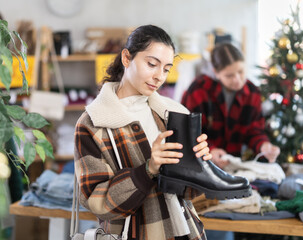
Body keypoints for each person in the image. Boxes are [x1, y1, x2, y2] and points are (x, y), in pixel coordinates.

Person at [74, 25, 212, 240]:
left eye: (166, 69)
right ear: (127, 58)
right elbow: (98, 203)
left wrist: (199, 164)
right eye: (152, 64)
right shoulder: (93, 124)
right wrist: (148, 169)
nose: (159, 76)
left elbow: (188, 194)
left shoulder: (174, 113)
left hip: (186, 233)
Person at [181, 42, 280, 240]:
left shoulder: (252, 92)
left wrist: (263, 145)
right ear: (215, 72)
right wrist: (211, 150)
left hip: (231, 170)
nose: (238, 80)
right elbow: (187, 133)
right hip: (200, 170)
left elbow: (255, 130)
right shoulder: (198, 90)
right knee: (208, 223)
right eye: (229, 75)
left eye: (241, 72)